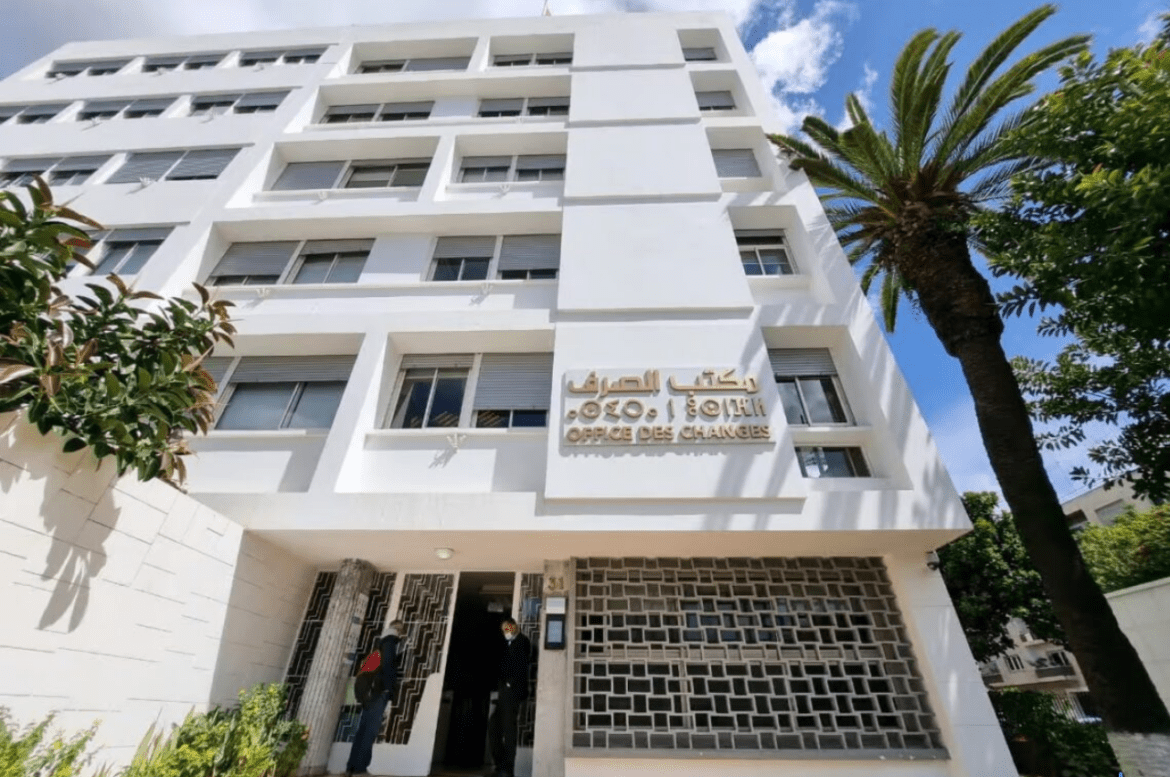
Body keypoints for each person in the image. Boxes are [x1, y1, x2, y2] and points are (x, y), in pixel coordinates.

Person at [346, 619, 404, 777]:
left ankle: (352, 766)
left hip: (368, 694)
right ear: (398, 631)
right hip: (378, 693)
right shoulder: (390, 643)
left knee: (363, 730)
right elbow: (388, 668)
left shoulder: (380, 644)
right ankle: (360, 768)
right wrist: (389, 691)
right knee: (370, 731)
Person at [486, 617, 531, 777]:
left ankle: (508, 768)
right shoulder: (505, 644)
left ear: (514, 626)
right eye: (504, 629)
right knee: (493, 727)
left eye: (508, 628)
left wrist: (510, 684)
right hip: (503, 692)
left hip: (513, 692)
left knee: (509, 729)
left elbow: (522, 665)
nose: (506, 631)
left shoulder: (522, 641)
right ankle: (500, 764)